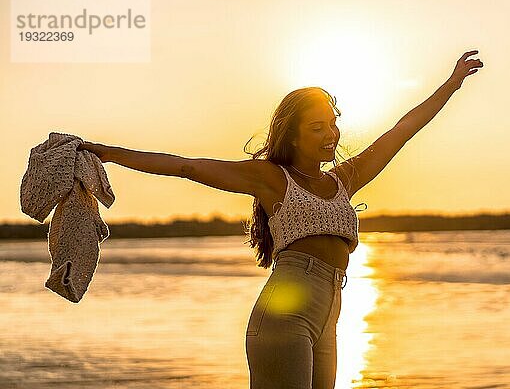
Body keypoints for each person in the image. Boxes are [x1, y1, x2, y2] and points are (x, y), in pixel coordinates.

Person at [79, 50, 483, 388]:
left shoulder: (345, 179)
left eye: (333, 123)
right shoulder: (271, 178)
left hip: (330, 310)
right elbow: (187, 166)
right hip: (285, 313)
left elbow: (402, 130)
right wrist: (107, 152)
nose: (331, 134)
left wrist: (450, 84)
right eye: (317, 128)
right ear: (292, 135)